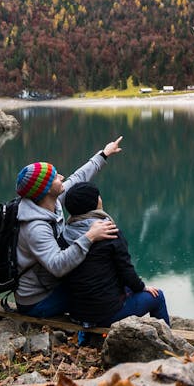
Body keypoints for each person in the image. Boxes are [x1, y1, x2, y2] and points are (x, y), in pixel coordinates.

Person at [13, 136, 123, 318]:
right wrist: (90, 236)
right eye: (56, 177)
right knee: (99, 292)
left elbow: (78, 177)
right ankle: (93, 332)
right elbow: (57, 266)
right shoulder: (35, 228)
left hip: (49, 283)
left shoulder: (50, 201)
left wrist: (104, 154)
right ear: (47, 188)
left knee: (102, 282)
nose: (62, 177)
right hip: (37, 300)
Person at [60, 181, 169, 327]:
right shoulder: (109, 232)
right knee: (157, 296)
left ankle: (85, 338)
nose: (100, 199)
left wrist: (137, 285)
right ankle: (168, 343)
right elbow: (126, 270)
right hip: (105, 314)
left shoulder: (65, 233)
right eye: (98, 196)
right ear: (94, 202)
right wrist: (142, 288)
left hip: (77, 313)